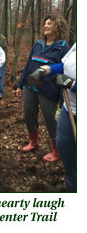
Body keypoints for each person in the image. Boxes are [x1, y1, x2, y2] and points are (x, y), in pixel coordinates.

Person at [14, 13, 70, 162]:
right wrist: (20, 85)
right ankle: (34, 142)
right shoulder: (38, 44)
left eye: (49, 23)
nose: (45, 25)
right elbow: (28, 65)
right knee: (29, 114)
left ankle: (56, 150)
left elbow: (66, 68)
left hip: (49, 90)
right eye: (45, 23)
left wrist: (62, 99)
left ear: (57, 26)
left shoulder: (63, 47)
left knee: (51, 120)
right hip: (30, 87)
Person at [36, 43, 76, 191]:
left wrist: (72, 84)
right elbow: (65, 65)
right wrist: (48, 69)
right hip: (69, 108)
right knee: (65, 146)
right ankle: (72, 183)